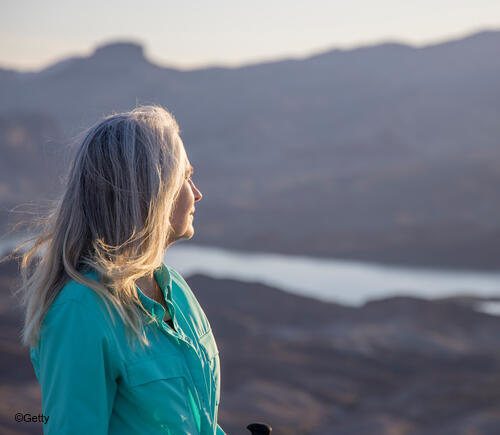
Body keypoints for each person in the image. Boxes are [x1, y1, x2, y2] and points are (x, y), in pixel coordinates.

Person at [15, 105, 225, 434]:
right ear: (152, 192)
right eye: (185, 178)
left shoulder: (176, 291)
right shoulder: (81, 313)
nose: (197, 194)